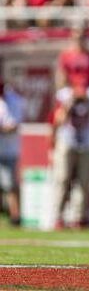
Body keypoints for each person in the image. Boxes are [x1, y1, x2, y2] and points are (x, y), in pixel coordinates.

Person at [50, 84, 89, 229]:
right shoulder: (65, 95)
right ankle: (57, 217)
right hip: (67, 142)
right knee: (62, 179)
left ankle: (78, 218)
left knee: (83, 181)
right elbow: (58, 120)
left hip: (86, 143)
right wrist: (70, 103)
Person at [0, 80, 24, 225]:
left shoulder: (14, 100)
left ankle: (15, 216)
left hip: (8, 149)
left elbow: (13, 126)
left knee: (9, 184)